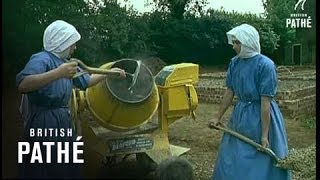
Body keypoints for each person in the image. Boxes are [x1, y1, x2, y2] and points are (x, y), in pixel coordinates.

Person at [16, 20, 126, 178]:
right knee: (44, 167)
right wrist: (58, 73)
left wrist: (109, 73)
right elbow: (23, 84)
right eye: (72, 44)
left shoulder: (66, 63)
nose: (75, 48)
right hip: (44, 121)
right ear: (61, 42)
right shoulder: (42, 59)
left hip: (63, 120)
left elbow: (86, 81)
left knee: (65, 165)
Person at [208, 24, 291, 180]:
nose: (233, 46)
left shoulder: (266, 65)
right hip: (240, 115)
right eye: (233, 42)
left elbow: (265, 103)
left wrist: (264, 136)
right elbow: (230, 91)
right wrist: (217, 116)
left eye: (237, 43)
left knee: (262, 158)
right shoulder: (235, 63)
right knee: (234, 155)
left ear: (247, 42)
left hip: (261, 117)